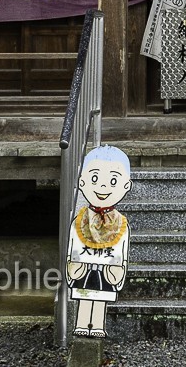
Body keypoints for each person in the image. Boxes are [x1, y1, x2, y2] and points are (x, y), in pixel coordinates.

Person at [65, 144, 132, 339]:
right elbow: (72, 245)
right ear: (83, 181)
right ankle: (82, 323)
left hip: (107, 270)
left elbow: (123, 249)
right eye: (95, 178)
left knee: (101, 296)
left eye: (113, 180)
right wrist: (72, 263)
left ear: (126, 185)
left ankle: (98, 325)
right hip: (84, 268)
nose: (103, 187)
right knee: (85, 295)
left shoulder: (121, 224)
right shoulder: (78, 221)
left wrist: (119, 269)